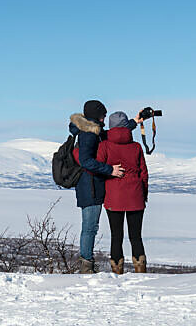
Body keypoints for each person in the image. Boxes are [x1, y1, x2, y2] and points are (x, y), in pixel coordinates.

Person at [69, 100, 142, 274]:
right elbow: (86, 161)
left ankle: (87, 264)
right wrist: (110, 170)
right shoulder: (88, 134)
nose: (104, 119)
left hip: (93, 184)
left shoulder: (93, 131)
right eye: (102, 115)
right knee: (90, 226)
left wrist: (134, 122)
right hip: (89, 186)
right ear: (96, 116)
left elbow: (112, 135)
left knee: (91, 226)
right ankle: (86, 266)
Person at [97, 111, 149, 274]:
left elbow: (98, 168)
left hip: (114, 197)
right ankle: (140, 270)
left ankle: (117, 271)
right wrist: (143, 194)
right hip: (135, 197)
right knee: (136, 236)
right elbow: (144, 173)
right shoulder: (136, 147)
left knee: (116, 236)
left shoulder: (104, 145)